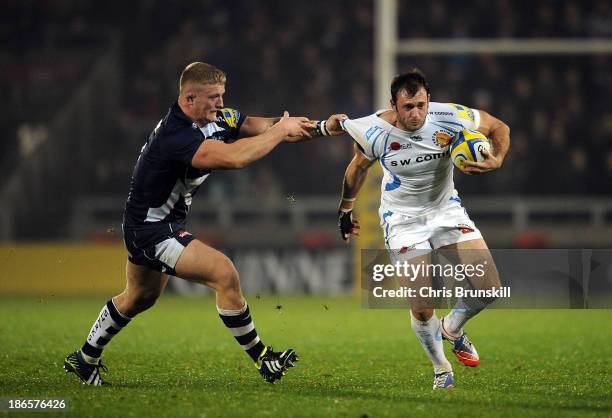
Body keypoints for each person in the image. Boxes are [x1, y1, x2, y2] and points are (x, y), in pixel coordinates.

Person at [63, 62, 343, 386]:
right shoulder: (176, 134)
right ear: (189, 97)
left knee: (139, 297)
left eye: (222, 95)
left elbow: (259, 125)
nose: (221, 104)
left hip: (155, 223)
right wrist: (280, 131)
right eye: (213, 97)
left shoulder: (215, 117)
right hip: (151, 229)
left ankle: (85, 358)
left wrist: (322, 127)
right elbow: (235, 157)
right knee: (224, 273)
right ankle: (264, 358)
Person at [331, 69, 510, 389]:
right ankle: (441, 368)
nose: (416, 114)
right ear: (393, 106)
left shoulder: (451, 116)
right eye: (408, 107)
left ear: (429, 100)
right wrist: (346, 208)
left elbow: (499, 127)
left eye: (421, 105)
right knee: (423, 305)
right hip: (402, 221)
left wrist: (496, 159)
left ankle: (452, 327)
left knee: (489, 288)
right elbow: (357, 168)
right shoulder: (374, 131)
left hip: (446, 212)